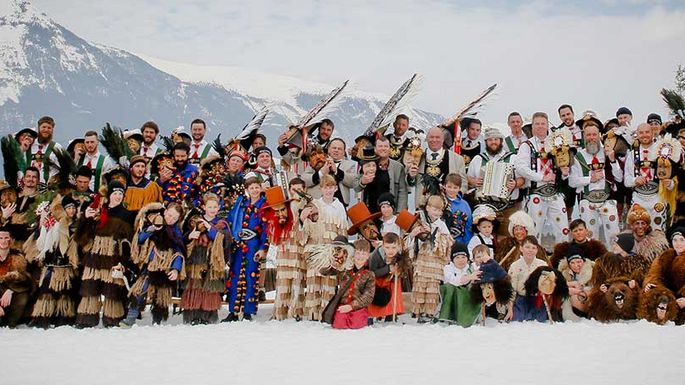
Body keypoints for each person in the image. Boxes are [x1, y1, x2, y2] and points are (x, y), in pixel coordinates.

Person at [72, 180, 134, 328]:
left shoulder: (127, 215)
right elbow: (81, 237)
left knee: (112, 289)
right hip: (95, 254)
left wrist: (124, 261)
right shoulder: (98, 210)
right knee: (90, 287)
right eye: (115, 193)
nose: (118, 196)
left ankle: (112, 318)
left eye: (120, 193)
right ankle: (86, 318)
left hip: (113, 254)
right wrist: (85, 218)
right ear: (109, 195)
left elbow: (128, 241)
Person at [122, 202, 185, 326]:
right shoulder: (153, 224)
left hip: (165, 268)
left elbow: (179, 252)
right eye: (170, 215)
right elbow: (139, 240)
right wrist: (150, 230)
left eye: (174, 218)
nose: (170, 219)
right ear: (165, 212)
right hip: (150, 266)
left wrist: (176, 269)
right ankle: (131, 317)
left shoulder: (176, 233)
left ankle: (157, 321)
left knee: (161, 296)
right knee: (140, 290)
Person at [514, 111, 570, 247]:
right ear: (532, 127)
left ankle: (561, 260)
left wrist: (564, 172)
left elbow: (564, 165)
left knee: (563, 228)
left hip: (555, 192)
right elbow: (520, 167)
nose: (540, 126)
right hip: (535, 193)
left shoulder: (557, 144)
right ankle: (535, 262)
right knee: (534, 231)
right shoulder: (527, 145)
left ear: (547, 125)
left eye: (543, 123)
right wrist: (541, 177)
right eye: (537, 124)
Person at [24, 196, 79, 328]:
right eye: (68, 208)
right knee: (46, 293)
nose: (71, 211)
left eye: (73, 208)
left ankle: (63, 318)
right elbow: (39, 243)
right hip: (52, 266)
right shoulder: (53, 225)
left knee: (64, 295)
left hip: (66, 267)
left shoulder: (76, 225)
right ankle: (43, 318)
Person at [569, 118, 623, 246]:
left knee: (614, 236)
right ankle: (592, 263)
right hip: (587, 200)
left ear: (599, 135)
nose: (591, 137)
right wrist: (589, 179)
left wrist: (613, 160)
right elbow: (572, 181)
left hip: (608, 199)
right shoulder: (578, 156)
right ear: (584, 136)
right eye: (588, 135)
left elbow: (619, 178)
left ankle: (613, 262)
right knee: (590, 237)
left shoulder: (608, 152)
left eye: (594, 134)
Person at [403, 195, 453, 323]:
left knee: (432, 286)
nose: (436, 213)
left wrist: (433, 232)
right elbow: (408, 243)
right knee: (420, 283)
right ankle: (417, 311)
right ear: (428, 208)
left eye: (439, 210)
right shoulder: (420, 221)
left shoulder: (441, 225)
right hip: (422, 259)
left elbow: (448, 242)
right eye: (434, 209)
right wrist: (414, 234)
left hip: (435, 261)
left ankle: (429, 312)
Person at [467, 127, 523, 236]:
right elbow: (468, 178)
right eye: (490, 140)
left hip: (508, 207)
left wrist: (515, 184)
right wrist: (474, 181)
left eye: (496, 139)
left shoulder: (513, 158)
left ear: (501, 141)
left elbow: (522, 180)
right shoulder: (478, 159)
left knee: (507, 239)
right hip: (484, 206)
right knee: (484, 238)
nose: (493, 142)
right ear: (486, 142)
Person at [226, 179, 269, 321]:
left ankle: (248, 311)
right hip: (239, 244)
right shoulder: (241, 204)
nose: (255, 190)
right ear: (247, 189)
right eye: (252, 188)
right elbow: (231, 220)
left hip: (253, 244)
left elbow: (265, 230)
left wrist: (263, 248)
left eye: (257, 187)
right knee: (235, 275)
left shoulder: (264, 206)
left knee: (251, 275)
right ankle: (233, 310)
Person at [586, 233, 649, 322]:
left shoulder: (639, 263)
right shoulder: (606, 262)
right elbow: (598, 283)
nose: (613, 246)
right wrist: (601, 289)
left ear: (624, 246)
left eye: (616, 244)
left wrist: (635, 287)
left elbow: (644, 283)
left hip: (631, 302)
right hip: (609, 300)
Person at [407, 127, 467, 208]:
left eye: (437, 137)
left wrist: (454, 199)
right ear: (427, 139)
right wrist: (411, 176)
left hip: (449, 209)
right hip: (423, 208)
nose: (434, 140)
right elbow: (409, 184)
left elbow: (463, 184)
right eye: (431, 137)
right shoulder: (418, 158)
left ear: (443, 139)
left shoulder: (457, 159)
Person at [322, 239, 375, 329]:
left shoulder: (369, 274)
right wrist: (333, 261)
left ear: (368, 256)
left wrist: (351, 306)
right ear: (352, 254)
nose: (360, 256)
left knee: (356, 325)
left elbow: (368, 296)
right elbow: (324, 271)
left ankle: (367, 319)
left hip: (358, 307)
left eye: (364, 254)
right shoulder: (344, 269)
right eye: (357, 253)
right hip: (342, 306)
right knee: (339, 325)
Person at [624, 123, 668, 231]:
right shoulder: (631, 154)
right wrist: (635, 180)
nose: (644, 135)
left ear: (653, 133)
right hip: (639, 197)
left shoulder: (661, 151)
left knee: (658, 230)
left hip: (657, 196)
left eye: (647, 132)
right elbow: (626, 180)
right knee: (639, 231)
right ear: (637, 135)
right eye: (641, 132)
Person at [639, 227, 685, 324]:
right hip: (668, 294)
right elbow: (654, 274)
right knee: (651, 293)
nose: (678, 243)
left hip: (682, 295)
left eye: (682, 240)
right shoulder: (664, 257)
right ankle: (662, 308)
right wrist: (651, 284)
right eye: (675, 240)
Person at [301, 138, 358, 207]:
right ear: (328, 150)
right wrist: (320, 173)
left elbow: (353, 182)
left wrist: (337, 171)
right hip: (318, 204)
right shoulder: (316, 162)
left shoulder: (349, 165)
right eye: (334, 148)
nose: (336, 150)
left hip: (340, 205)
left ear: (343, 152)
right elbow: (304, 180)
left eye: (339, 149)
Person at [358, 136, 408, 213]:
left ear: (390, 149)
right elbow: (357, 186)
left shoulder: (398, 167)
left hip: (389, 212)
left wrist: (399, 212)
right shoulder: (366, 165)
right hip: (370, 210)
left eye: (386, 146)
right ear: (375, 148)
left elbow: (402, 191)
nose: (383, 148)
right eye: (380, 146)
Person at [437, 242, 481, 326]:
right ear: (453, 259)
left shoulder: (471, 268)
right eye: (457, 257)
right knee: (449, 287)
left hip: (467, 296)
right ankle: (447, 315)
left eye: (463, 257)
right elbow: (452, 281)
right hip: (452, 295)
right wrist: (468, 277)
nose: (461, 260)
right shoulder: (448, 268)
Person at [368, 232, 406, 321]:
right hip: (378, 279)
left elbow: (405, 268)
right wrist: (388, 269)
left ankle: (391, 313)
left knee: (395, 287)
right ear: (383, 245)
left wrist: (399, 271)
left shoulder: (400, 254)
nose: (391, 250)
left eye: (393, 247)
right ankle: (378, 314)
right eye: (387, 247)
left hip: (392, 279)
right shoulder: (376, 255)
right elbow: (372, 273)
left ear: (398, 246)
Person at [0, 226, 32, 328]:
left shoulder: (18, 257)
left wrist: (11, 290)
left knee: (22, 296)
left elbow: (26, 279)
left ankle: (11, 322)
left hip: (12, 293)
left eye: (6, 238)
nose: (3, 241)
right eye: (0, 238)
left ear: (11, 240)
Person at [557, 243, 594, 317]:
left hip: (589, 305)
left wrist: (580, 291)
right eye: (572, 263)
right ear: (569, 264)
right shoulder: (564, 274)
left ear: (584, 261)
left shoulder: (592, 271)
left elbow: (596, 289)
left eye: (579, 262)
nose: (576, 265)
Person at [28, 116, 63, 185]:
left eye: (49, 128)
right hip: (28, 186)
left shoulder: (57, 147)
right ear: (38, 128)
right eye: (43, 127)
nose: (46, 130)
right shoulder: (29, 145)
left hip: (47, 188)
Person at [443, 173, 472, 245]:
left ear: (459, 188)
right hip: (442, 241)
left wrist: (466, 244)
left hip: (459, 242)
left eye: (455, 188)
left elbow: (468, 225)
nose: (452, 190)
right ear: (444, 186)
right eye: (449, 187)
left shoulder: (464, 205)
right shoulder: (440, 201)